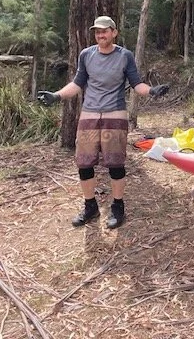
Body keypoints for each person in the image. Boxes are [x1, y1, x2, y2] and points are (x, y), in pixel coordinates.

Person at [37, 15, 169, 229]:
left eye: (104, 30)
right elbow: (77, 83)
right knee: (84, 163)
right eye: (97, 31)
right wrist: (56, 95)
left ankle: (118, 206)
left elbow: (136, 84)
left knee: (115, 164)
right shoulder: (86, 55)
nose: (100, 34)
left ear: (114, 32)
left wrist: (152, 91)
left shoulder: (124, 56)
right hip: (89, 114)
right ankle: (90, 206)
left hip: (114, 114)